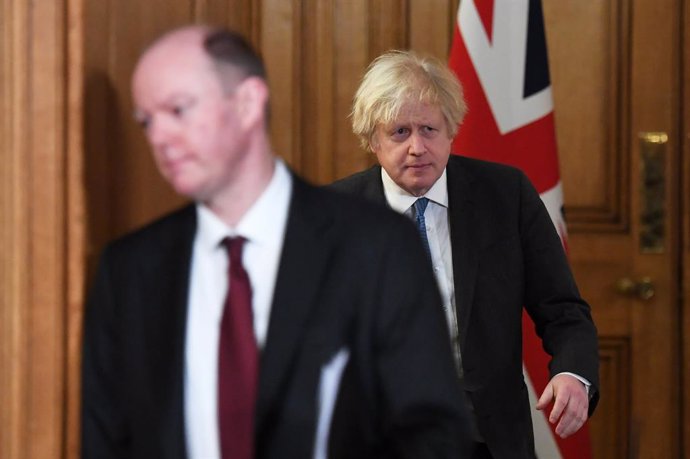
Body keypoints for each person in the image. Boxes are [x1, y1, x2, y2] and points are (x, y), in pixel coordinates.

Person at [81, 27, 474, 459]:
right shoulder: (129, 272)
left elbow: (432, 435)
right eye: (147, 120)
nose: (159, 137)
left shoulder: (376, 247)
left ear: (248, 103)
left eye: (179, 109)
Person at [330, 50, 600, 459]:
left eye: (429, 129)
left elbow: (564, 309)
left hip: (486, 437)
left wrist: (572, 373)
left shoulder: (506, 196)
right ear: (372, 140)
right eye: (400, 132)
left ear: (451, 131)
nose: (418, 147)